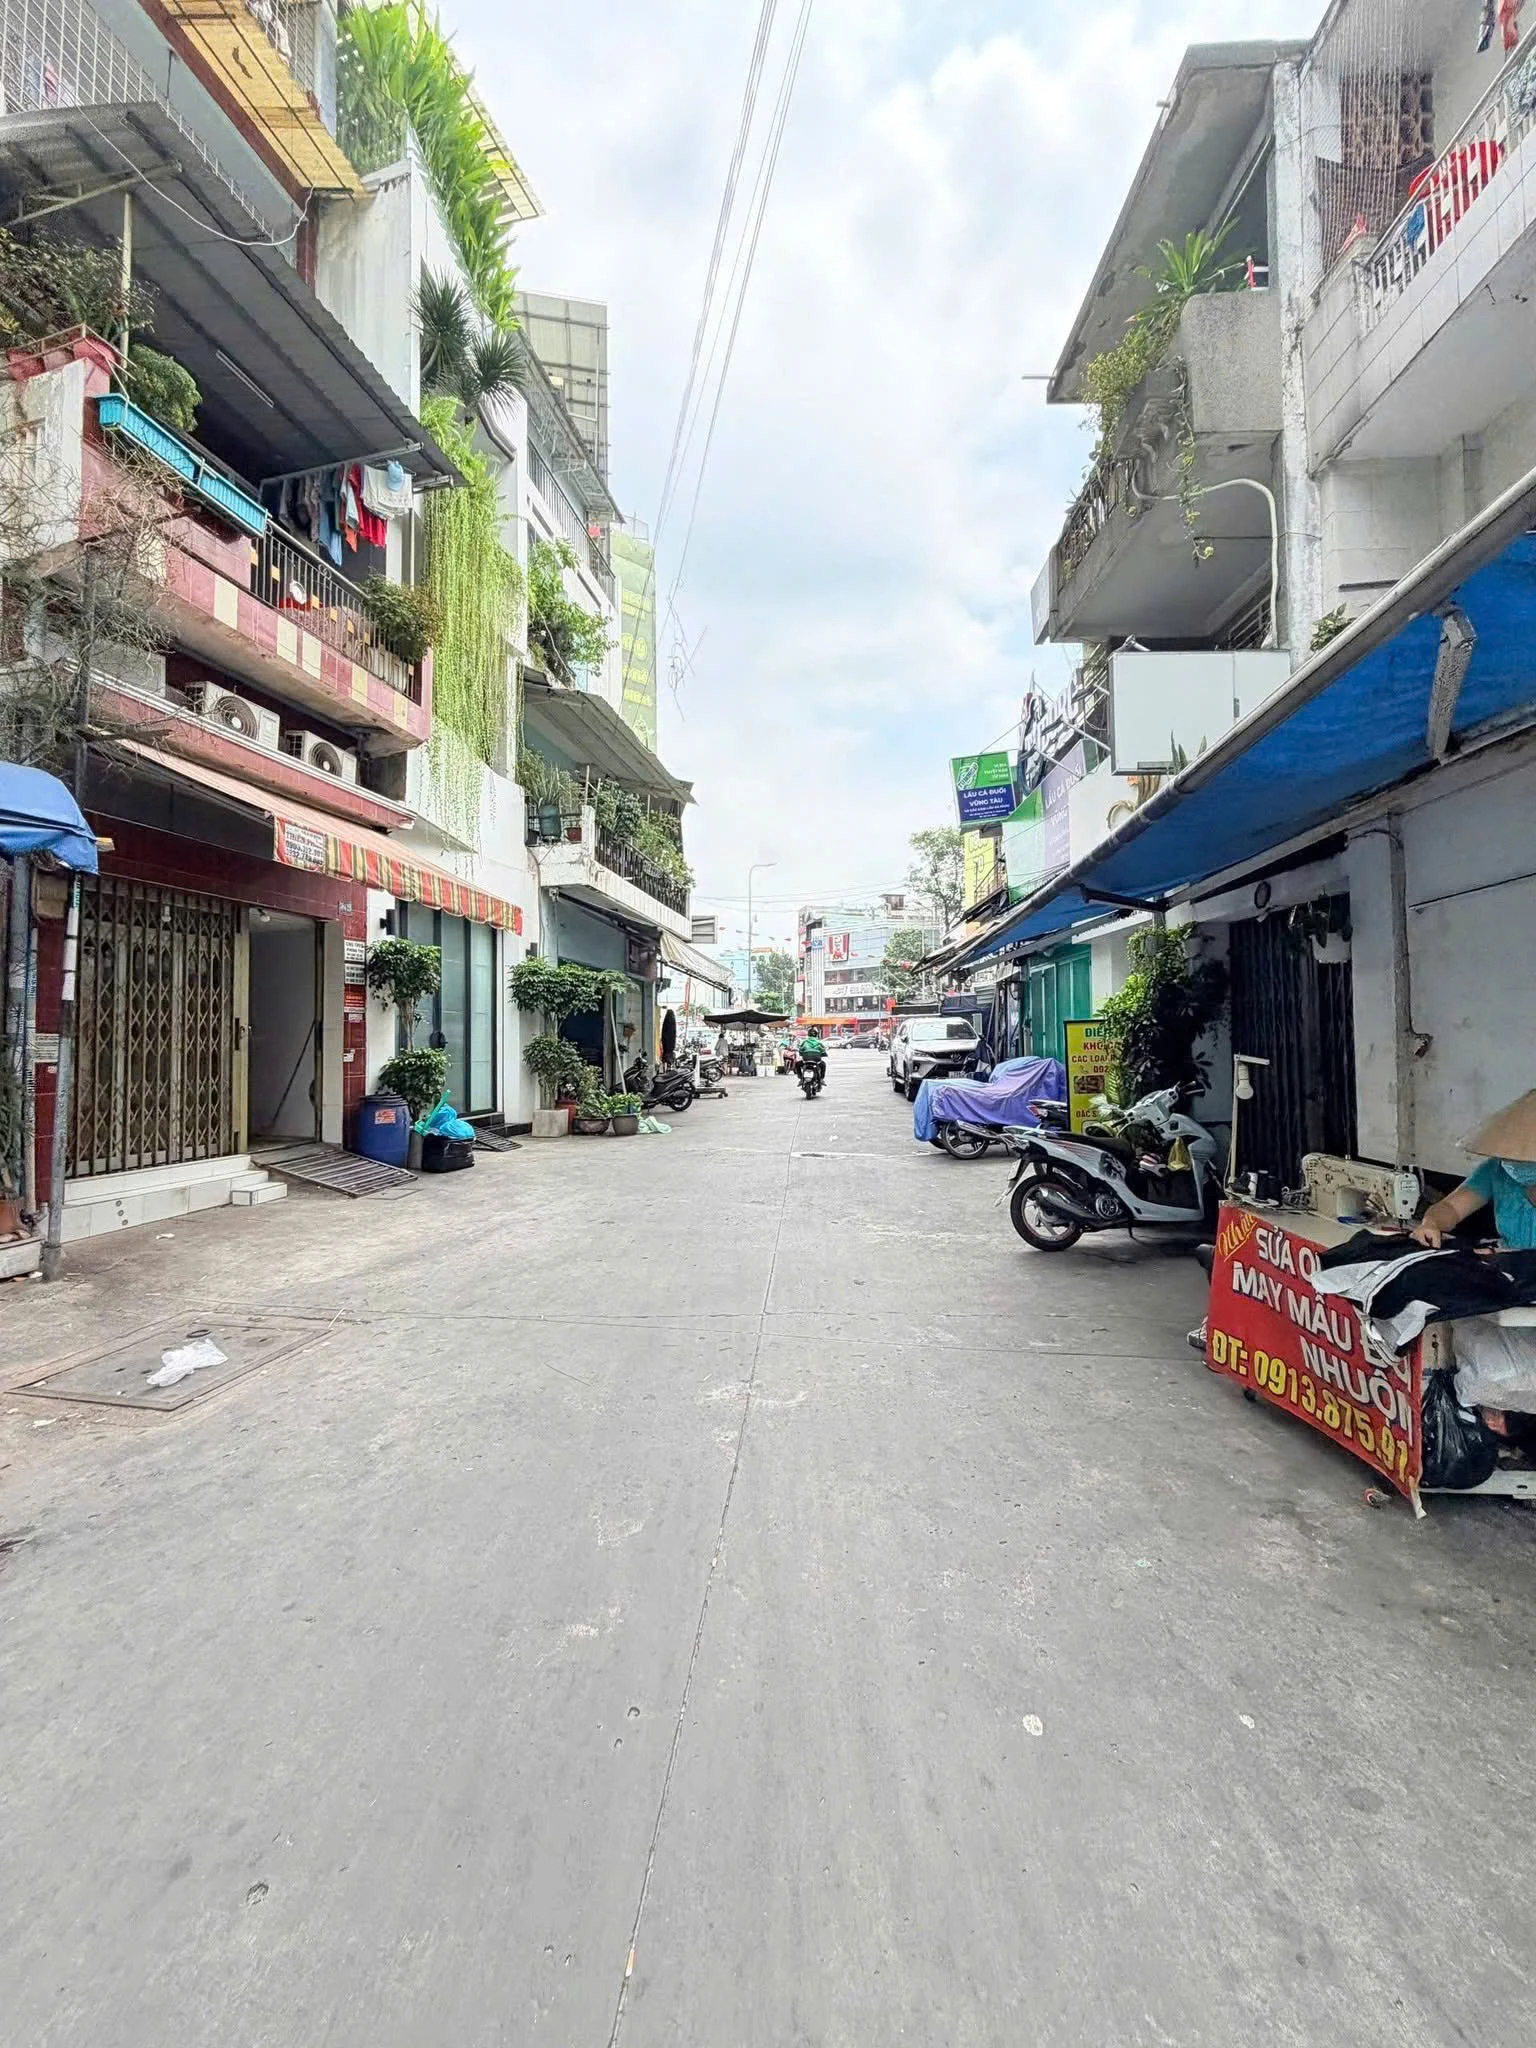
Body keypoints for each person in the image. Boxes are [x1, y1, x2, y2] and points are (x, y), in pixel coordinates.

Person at [1411, 1090, 1536, 1250]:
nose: (1517, 1159)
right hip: (1506, 1257)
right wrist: (1431, 1223)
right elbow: (1452, 1208)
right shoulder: (1496, 1169)